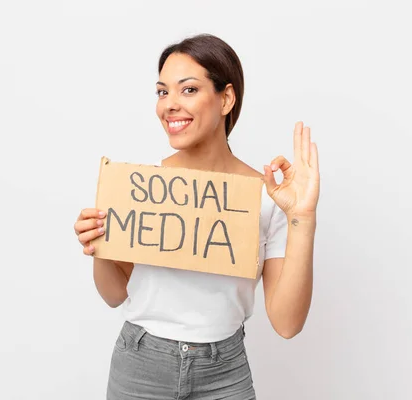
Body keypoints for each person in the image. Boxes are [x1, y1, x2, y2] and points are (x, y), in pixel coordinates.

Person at [74, 33, 320, 400]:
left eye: (188, 90)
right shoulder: (140, 188)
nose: (170, 104)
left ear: (226, 98)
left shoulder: (268, 198)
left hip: (225, 371)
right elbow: (113, 295)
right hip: (141, 363)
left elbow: (287, 323)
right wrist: (99, 247)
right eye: (162, 92)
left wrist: (303, 218)